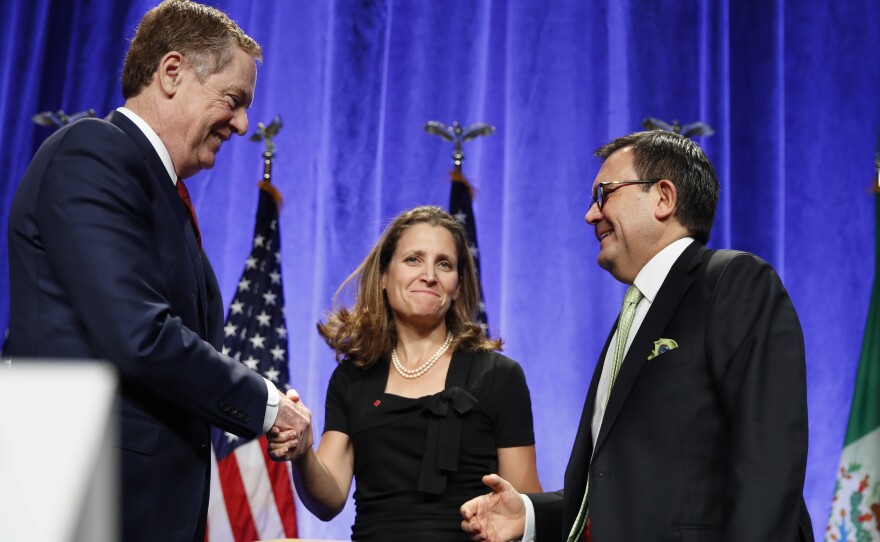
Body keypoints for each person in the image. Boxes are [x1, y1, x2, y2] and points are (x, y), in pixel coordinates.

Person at [6, 1, 308, 540]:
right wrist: (265, 406)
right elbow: (138, 334)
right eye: (233, 100)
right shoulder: (92, 152)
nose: (242, 124)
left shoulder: (160, 192)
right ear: (172, 73)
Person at [460, 131, 814, 541]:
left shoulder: (732, 283)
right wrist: (530, 515)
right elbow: (626, 486)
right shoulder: (636, 313)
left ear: (663, 197)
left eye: (603, 194)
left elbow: (768, 460)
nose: (590, 215)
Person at [267, 205, 542, 540]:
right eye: (413, 259)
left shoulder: (499, 375)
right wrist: (302, 453)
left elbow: (526, 506)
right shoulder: (352, 378)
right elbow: (329, 501)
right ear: (383, 276)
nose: (429, 275)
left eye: (444, 264)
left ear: (456, 286)